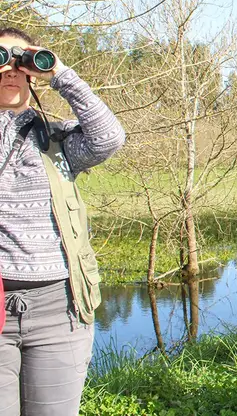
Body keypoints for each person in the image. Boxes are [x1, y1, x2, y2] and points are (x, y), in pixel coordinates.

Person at [0, 27, 126, 415]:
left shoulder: (58, 142)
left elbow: (109, 137)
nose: (10, 69)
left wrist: (60, 74)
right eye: (1, 58)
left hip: (60, 309)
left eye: (20, 60)